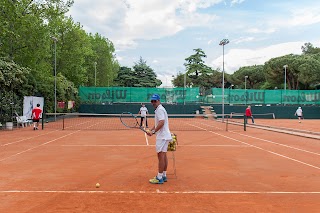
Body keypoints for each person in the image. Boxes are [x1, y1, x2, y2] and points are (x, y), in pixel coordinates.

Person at [147, 94, 172, 184]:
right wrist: (151, 129)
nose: (153, 103)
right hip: (165, 136)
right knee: (164, 156)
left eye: (155, 101)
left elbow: (161, 122)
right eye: (152, 101)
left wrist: (153, 132)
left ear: (159, 101)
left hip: (162, 137)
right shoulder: (160, 109)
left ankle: (159, 177)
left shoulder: (159, 110)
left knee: (160, 157)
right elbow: (158, 122)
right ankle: (163, 175)